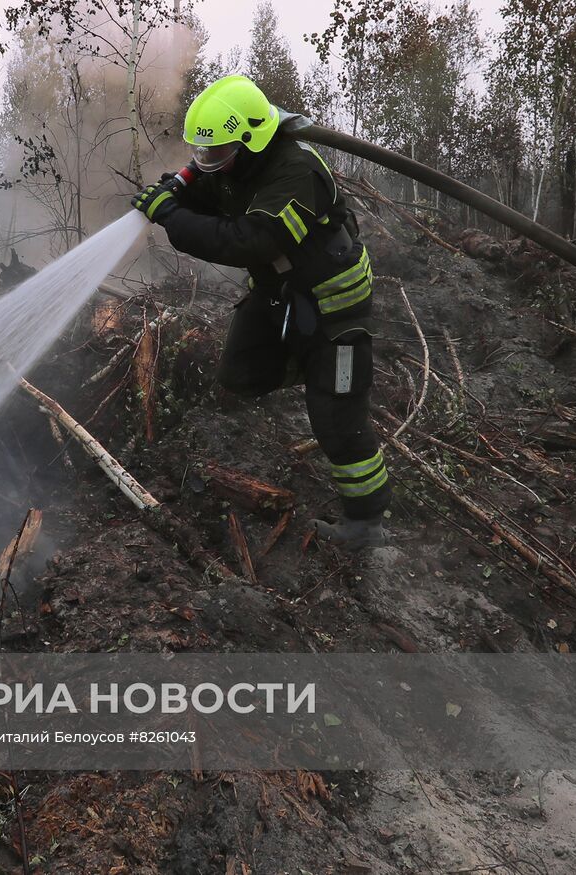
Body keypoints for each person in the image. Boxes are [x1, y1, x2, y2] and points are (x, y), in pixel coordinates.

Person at [131, 74, 391, 549]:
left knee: (337, 419)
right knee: (239, 373)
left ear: (251, 140)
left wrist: (171, 216)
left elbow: (251, 240)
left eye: (217, 153)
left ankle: (366, 521)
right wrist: (174, 194)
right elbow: (206, 194)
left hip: (333, 303)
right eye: (201, 154)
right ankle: (311, 368)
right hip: (283, 292)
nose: (208, 164)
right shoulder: (237, 167)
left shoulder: (296, 171)